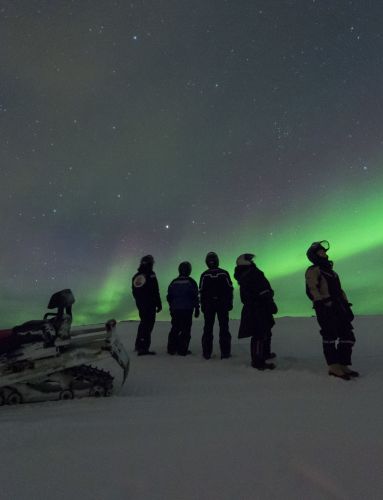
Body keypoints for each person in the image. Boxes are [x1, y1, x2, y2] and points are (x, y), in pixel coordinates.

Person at [305, 240, 358, 380]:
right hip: (325, 308)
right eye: (320, 252)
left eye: (324, 251)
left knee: (347, 336)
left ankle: (343, 364)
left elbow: (340, 290)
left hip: (338, 307)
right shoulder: (313, 270)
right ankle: (334, 367)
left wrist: (346, 304)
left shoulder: (331, 272)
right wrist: (322, 302)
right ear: (314, 255)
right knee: (329, 336)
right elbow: (312, 289)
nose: (323, 253)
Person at [234, 253, 277, 370]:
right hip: (256, 308)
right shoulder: (248, 274)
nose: (252, 261)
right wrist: (264, 296)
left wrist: (268, 297)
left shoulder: (249, 273)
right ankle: (258, 361)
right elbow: (253, 293)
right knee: (259, 334)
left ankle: (265, 354)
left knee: (266, 331)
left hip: (261, 306)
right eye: (249, 259)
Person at [199, 252, 233, 359]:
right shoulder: (224, 273)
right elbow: (229, 289)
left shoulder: (204, 274)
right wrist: (229, 302)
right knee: (224, 328)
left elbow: (201, 291)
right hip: (222, 305)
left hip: (209, 305)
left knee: (208, 328)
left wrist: (203, 305)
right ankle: (225, 352)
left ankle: (206, 353)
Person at [167, 261, 200, 356]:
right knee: (185, 329)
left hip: (175, 310)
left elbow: (169, 297)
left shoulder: (173, 282)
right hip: (187, 310)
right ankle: (182, 350)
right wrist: (197, 308)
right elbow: (195, 296)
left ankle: (171, 349)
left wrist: (171, 307)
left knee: (175, 328)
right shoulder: (191, 282)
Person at [132, 254, 162, 355]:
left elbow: (135, 292)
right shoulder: (150, 274)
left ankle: (139, 345)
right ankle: (143, 348)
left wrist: (141, 302)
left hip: (143, 304)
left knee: (144, 323)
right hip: (148, 305)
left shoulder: (137, 276)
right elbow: (155, 290)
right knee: (147, 324)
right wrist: (158, 303)